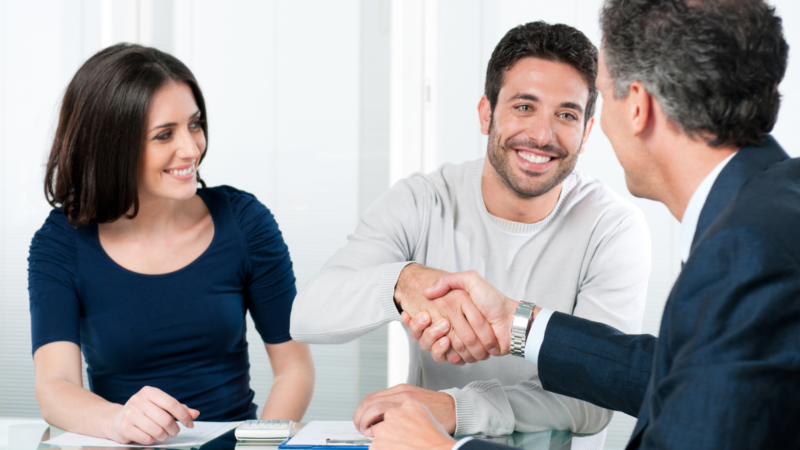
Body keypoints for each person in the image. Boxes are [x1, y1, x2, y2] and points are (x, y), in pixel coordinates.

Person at [372, 0, 800, 449]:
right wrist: (518, 324)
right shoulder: (771, 204)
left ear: (636, 105)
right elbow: (683, 372)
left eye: (600, 88)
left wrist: (445, 448)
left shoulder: (745, 253)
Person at [289, 22, 650, 443]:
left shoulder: (613, 227)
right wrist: (404, 283)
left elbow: (595, 399)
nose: (541, 135)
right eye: (524, 106)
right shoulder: (423, 201)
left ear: (586, 132)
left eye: (566, 114)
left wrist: (461, 407)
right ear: (486, 113)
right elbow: (307, 315)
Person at [28, 44, 314, 446]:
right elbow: (54, 386)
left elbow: (294, 369)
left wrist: (257, 445)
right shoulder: (61, 242)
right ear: (112, 147)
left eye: (194, 125)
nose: (191, 148)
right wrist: (118, 420)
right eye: (165, 134)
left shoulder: (245, 222)